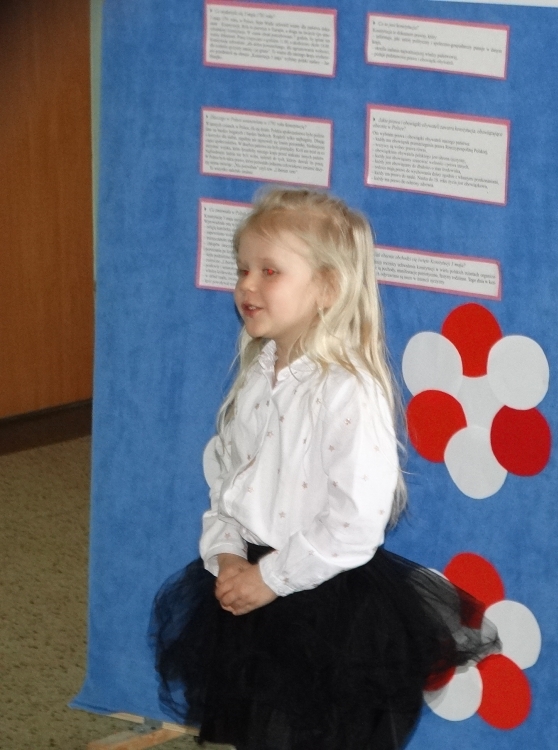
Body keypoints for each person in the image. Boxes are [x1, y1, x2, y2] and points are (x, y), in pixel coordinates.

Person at [150, 188, 498, 750]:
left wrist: (269, 579)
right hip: (253, 580)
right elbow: (229, 482)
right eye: (242, 269)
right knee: (258, 727)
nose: (247, 285)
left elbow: (356, 521)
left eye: (269, 271)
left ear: (328, 289)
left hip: (321, 598)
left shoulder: (347, 390)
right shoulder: (257, 373)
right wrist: (227, 556)